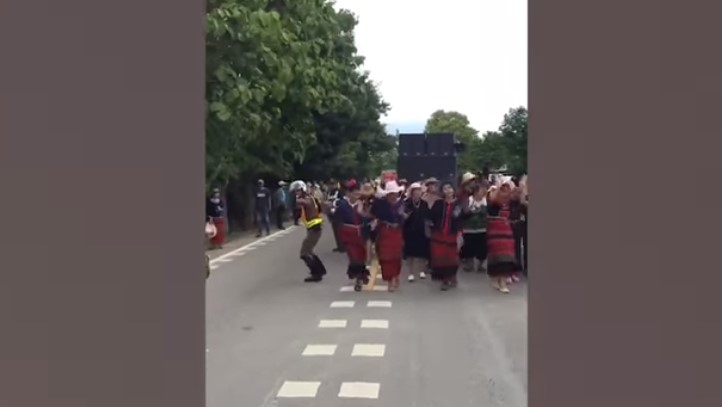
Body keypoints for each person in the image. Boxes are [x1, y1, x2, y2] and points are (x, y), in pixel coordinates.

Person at [369, 180, 407, 292]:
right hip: (385, 231)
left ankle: (396, 276)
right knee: (386, 258)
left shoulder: (402, 204)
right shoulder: (380, 204)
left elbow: (405, 219)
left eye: (394, 193)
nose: (393, 196)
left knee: (397, 257)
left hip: (397, 232)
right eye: (390, 194)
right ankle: (390, 280)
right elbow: (372, 214)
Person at [427, 181, 463, 291]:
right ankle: (444, 280)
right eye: (445, 189)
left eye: (450, 188)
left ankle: (452, 276)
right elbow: (430, 216)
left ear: (453, 190)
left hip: (452, 234)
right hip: (439, 234)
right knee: (440, 258)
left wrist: (460, 233)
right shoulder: (439, 203)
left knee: (452, 258)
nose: (448, 191)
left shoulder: (458, 204)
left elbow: (461, 219)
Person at [290, 180, 328, 282]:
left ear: (303, 190)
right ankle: (319, 271)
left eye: (297, 191)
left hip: (315, 228)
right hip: (313, 228)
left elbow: (305, 203)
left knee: (305, 252)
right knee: (309, 251)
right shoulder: (309, 197)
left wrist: (296, 200)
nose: (296, 194)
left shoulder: (307, 199)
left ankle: (316, 273)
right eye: (295, 192)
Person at [486, 180, 519, 293]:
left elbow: (518, 193)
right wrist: (498, 187)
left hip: (506, 231)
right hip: (495, 232)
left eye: (506, 189)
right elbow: (494, 199)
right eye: (502, 189)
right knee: (496, 256)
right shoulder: (493, 202)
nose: (505, 192)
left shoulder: (510, 202)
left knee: (506, 256)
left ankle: (503, 281)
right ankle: (497, 280)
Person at [336, 180, 369, 291]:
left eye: (358, 193)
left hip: (360, 233)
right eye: (354, 193)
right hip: (348, 233)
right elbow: (336, 219)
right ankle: (358, 277)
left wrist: (361, 212)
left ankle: (360, 276)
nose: (357, 196)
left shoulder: (363, 204)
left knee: (361, 256)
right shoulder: (342, 205)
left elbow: (368, 218)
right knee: (353, 256)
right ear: (349, 193)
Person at [402, 182, 430, 282]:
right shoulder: (406, 203)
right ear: (411, 192)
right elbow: (403, 216)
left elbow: (427, 217)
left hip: (421, 230)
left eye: (419, 191)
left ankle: (421, 271)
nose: (417, 193)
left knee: (422, 252)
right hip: (409, 231)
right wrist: (405, 216)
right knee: (410, 253)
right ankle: (411, 272)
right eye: (415, 191)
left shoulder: (424, 203)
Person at [460, 181, 489, 273]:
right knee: (469, 247)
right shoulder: (469, 200)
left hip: (482, 228)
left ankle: (480, 265)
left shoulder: (486, 201)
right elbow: (465, 212)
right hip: (469, 229)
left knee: (483, 247)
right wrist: (475, 211)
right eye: (481, 190)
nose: (483, 192)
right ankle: (469, 264)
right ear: (476, 191)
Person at [326, 181, 346, 253]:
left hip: (338, 212)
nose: (331, 186)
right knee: (335, 230)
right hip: (331, 214)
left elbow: (343, 201)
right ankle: (339, 246)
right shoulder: (329, 193)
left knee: (340, 230)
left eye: (332, 184)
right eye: (329, 184)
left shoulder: (340, 192)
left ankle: (343, 247)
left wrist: (336, 206)